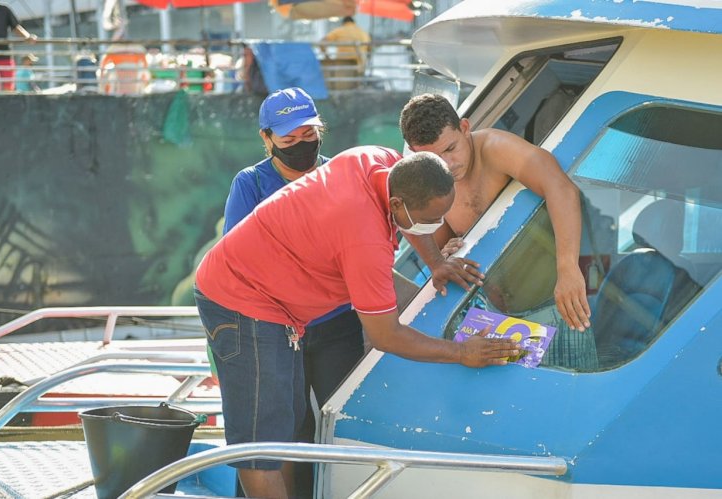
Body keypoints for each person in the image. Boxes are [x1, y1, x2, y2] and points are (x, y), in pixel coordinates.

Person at [195, 145, 519, 499]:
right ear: (397, 205)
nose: (437, 226)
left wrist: (435, 261)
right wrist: (461, 353)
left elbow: (411, 214)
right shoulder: (364, 239)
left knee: (286, 426)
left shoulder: (377, 160)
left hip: (275, 300)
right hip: (241, 301)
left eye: (443, 215)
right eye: (431, 218)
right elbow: (385, 334)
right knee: (262, 448)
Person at [222, 87, 365, 498]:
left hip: (336, 323)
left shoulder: (341, 175)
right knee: (283, 429)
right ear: (266, 139)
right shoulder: (250, 184)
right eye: (288, 140)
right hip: (276, 329)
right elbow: (239, 258)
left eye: (308, 135)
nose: (300, 146)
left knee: (347, 420)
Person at [399, 93, 590, 332]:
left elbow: (561, 189)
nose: (446, 164)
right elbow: (443, 249)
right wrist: (444, 256)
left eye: (450, 148)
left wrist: (568, 269)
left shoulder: (495, 148)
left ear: (464, 127)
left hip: (559, 300)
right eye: (433, 158)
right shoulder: (429, 182)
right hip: (494, 315)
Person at [321, 16, 370, 90]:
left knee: (341, 89)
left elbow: (322, 42)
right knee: (356, 90)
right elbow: (369, 49)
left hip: (342, 66)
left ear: (343, 23)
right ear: (354, 23)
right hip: (359, 67)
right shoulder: (363, 33)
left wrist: (327, 56)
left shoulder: (340, 30)